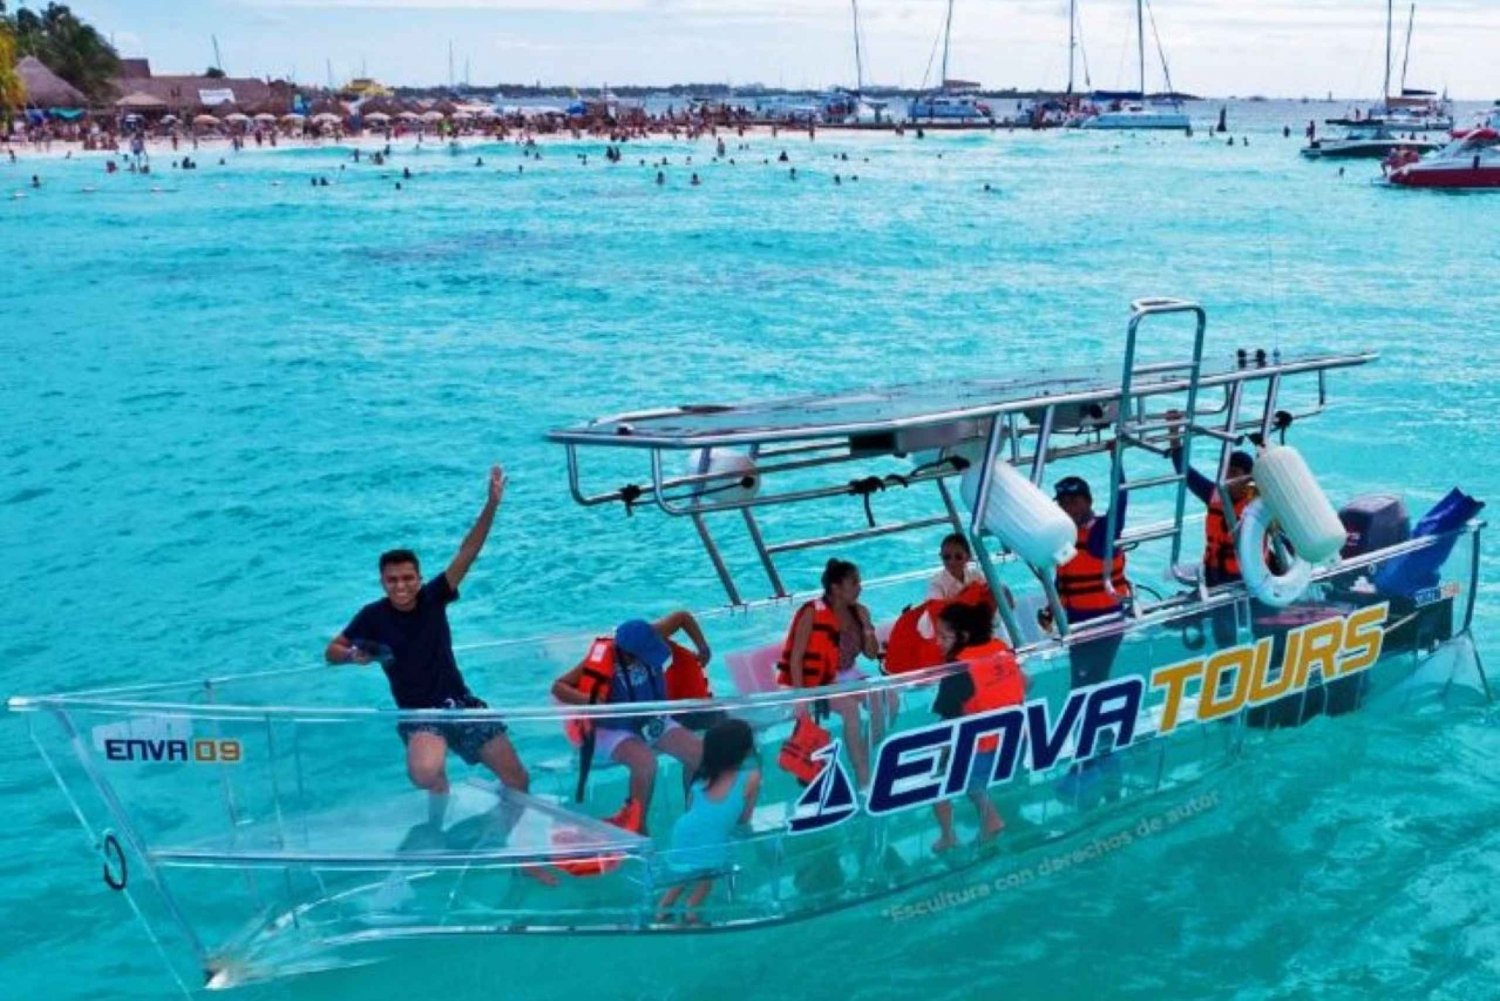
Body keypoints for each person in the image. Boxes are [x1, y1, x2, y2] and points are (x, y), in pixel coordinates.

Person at [326, 466, 529, 822]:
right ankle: (439, 815)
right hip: (420, 716)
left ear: (419, 579)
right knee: (424, 775)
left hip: (461, 704)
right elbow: (332, 651)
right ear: (382, 582)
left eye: (408, 578)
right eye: (393, 580)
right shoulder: (372, 615)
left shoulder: (434, 598)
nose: (401, 586)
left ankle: (510, 844)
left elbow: (468, 552)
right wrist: (351, 656)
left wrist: (492, 504)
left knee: (518, 779)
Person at [551, 614, 708, 829]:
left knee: (701, 755)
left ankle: (694, 816)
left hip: (653, 719)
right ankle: (638, 827)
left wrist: (702, 647)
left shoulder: (649, 634)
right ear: (627, 654)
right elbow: (558, 686)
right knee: (645, 763)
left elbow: (682, 617)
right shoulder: (604, 659)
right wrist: (589, 701)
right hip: (614, 729)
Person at [775, 559, 879, 786]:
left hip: (844, 675)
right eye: (854, 583)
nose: (860, 587)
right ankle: (862, 776)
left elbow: (872, 655)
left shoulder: (860, 612)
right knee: (851, 711)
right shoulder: (811, 612)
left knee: (885, 699)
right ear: (836, 588)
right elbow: (796, 658)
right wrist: (801, 698)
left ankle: (862, 750)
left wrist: (868, 630)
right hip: (813, 680)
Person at [929, 602, 1021, 852]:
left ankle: (951, 836)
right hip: (1015, 743)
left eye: (944, 636)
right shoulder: (1001, 650)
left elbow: (948, 719)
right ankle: (991, 817)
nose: (938, 642)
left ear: (964, 637)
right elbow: (1026, 682)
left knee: (934, 776)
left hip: (982, 750)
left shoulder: (959, 669)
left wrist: (942, 755)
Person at [655, 718, 761, 924]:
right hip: (711, 836)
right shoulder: (751, 777)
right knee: (706, 880)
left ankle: (662, 911)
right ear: (745, 750)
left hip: (683, 830)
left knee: (683, 875)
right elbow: (744, 818)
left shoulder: (702, 776)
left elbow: (693, 805)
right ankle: (691, 913)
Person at [1050, 473, 1129, 687]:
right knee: (1080, 677)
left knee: (1092, 678)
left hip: (1105, 620)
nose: (1068, 508)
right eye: (1063, 503)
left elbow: (1120, 502)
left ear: (1089, 502)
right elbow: (1063, 579)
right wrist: (1051, 611)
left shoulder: (1101, 534)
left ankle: (1099, 716)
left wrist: (1117, 465)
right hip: (1076, 618)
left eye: (1074, 502)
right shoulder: (1066, 536)